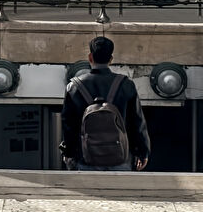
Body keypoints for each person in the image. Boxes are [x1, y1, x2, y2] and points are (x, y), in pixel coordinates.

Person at [60, 36, 151, 171]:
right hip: (121, 159)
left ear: (90, 57)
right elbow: (137, 122)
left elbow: (69, 126)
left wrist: (69, 153)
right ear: (111, 59)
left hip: (85, 159)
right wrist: (143, 152)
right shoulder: (126, 85)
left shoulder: (74, 87)